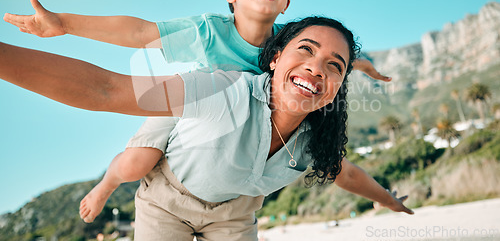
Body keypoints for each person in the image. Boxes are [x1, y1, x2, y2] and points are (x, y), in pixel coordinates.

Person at [3, 0, 390, 224]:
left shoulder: (292, 42)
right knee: (139, 163)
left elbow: (323, 59)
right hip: (192, 104)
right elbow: (139, 32)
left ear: (287, 2)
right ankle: (108, 181)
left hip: (238, 129)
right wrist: (66, 24)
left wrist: (361, 65)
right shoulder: (208, 32)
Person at [0, 16, 412, 240]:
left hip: (234, 217)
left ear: (336, 89)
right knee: (133, 164)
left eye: (334, 66)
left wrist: (388, 199)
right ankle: (107, 180)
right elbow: (108, 89)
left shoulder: (312, 141)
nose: (316, 68)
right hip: (168, 198)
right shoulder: (224, 89)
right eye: (305, 50)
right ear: (273, 59)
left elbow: (346, 173)